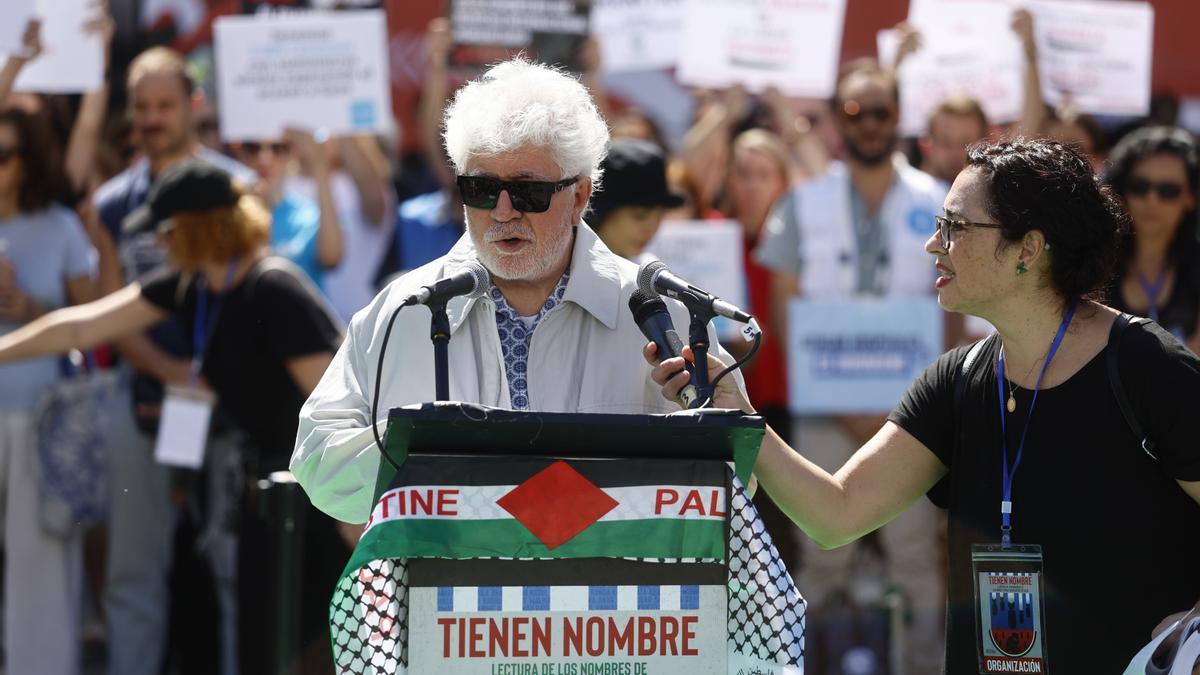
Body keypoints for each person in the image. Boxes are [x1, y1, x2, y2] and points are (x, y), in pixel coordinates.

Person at [652, 138, 1200, 671]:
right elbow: (836, 514)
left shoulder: (1146, 365)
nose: (933, 244)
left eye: (956, 226)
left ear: (1028, 249)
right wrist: (740, 415)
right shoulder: (955, 380)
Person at [291, 58, 741, 525]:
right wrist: (419, 450)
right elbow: (317, 463)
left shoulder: (660, 313)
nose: (503, 211)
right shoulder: (403, 308)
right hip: (444, 572)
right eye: (480, 188)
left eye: (528, 192)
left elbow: (733, 479)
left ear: (579, 197)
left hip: (611, 572)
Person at [0, 159, 346, 673]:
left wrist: (354, 523)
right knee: (261, 640)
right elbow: (80, 328)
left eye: (166, 230)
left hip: (316, 499)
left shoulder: (274, 288)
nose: (158, 243)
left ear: (200, 227)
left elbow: (341, 412)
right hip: (264, 495)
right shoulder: (195, 286)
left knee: (308, 643)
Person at [756, 58, 949, 674]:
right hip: (825, 409)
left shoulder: (937, 200)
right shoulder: (802, 202)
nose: (869, 123)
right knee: (821, 558)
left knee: (915, 556)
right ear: (838, 119)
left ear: (898, 116)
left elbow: (952, 309)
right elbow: (784, 310)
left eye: (881, 111)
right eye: (854, 111)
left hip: (914, 414)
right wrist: (839, 401)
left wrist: (914, 407)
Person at [91, 45, 258, 675]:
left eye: (165, 105)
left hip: (228, 403)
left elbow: (249, 290)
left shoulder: (233, 187)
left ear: (194, 105)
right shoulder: (114, 202)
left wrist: (210, 376)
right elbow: (108, 307)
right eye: (142, 107)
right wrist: (167, 372)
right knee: (134, 573)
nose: (153, 118)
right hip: (145, 397)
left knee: (232, 569)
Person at [0, 107, 98, 675]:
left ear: (29, 161)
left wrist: (33, 310)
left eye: (4, 154)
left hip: (40, 418)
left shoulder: (60, 226)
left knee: (40, 569)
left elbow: (94, 320)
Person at [1103, 126, 1200, 352]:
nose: (1152, 199)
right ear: (1121, 191)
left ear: (1190, 198)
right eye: (1140, 187)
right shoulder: (1093, 264)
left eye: (1168, 190)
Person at [236, 129, 344, 290]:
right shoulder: (230, 215)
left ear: (292, 155)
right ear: (241, 154)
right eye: (253, 148)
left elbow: (331, 259)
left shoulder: (308, 214)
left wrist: (320, 165)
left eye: (278, 148)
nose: (264, 158)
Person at [588, 137, 683, 262]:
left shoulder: (646, 266)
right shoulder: (567, 269)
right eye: (640, 215)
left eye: (660, 215)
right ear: (601, 214)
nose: (651, 229)